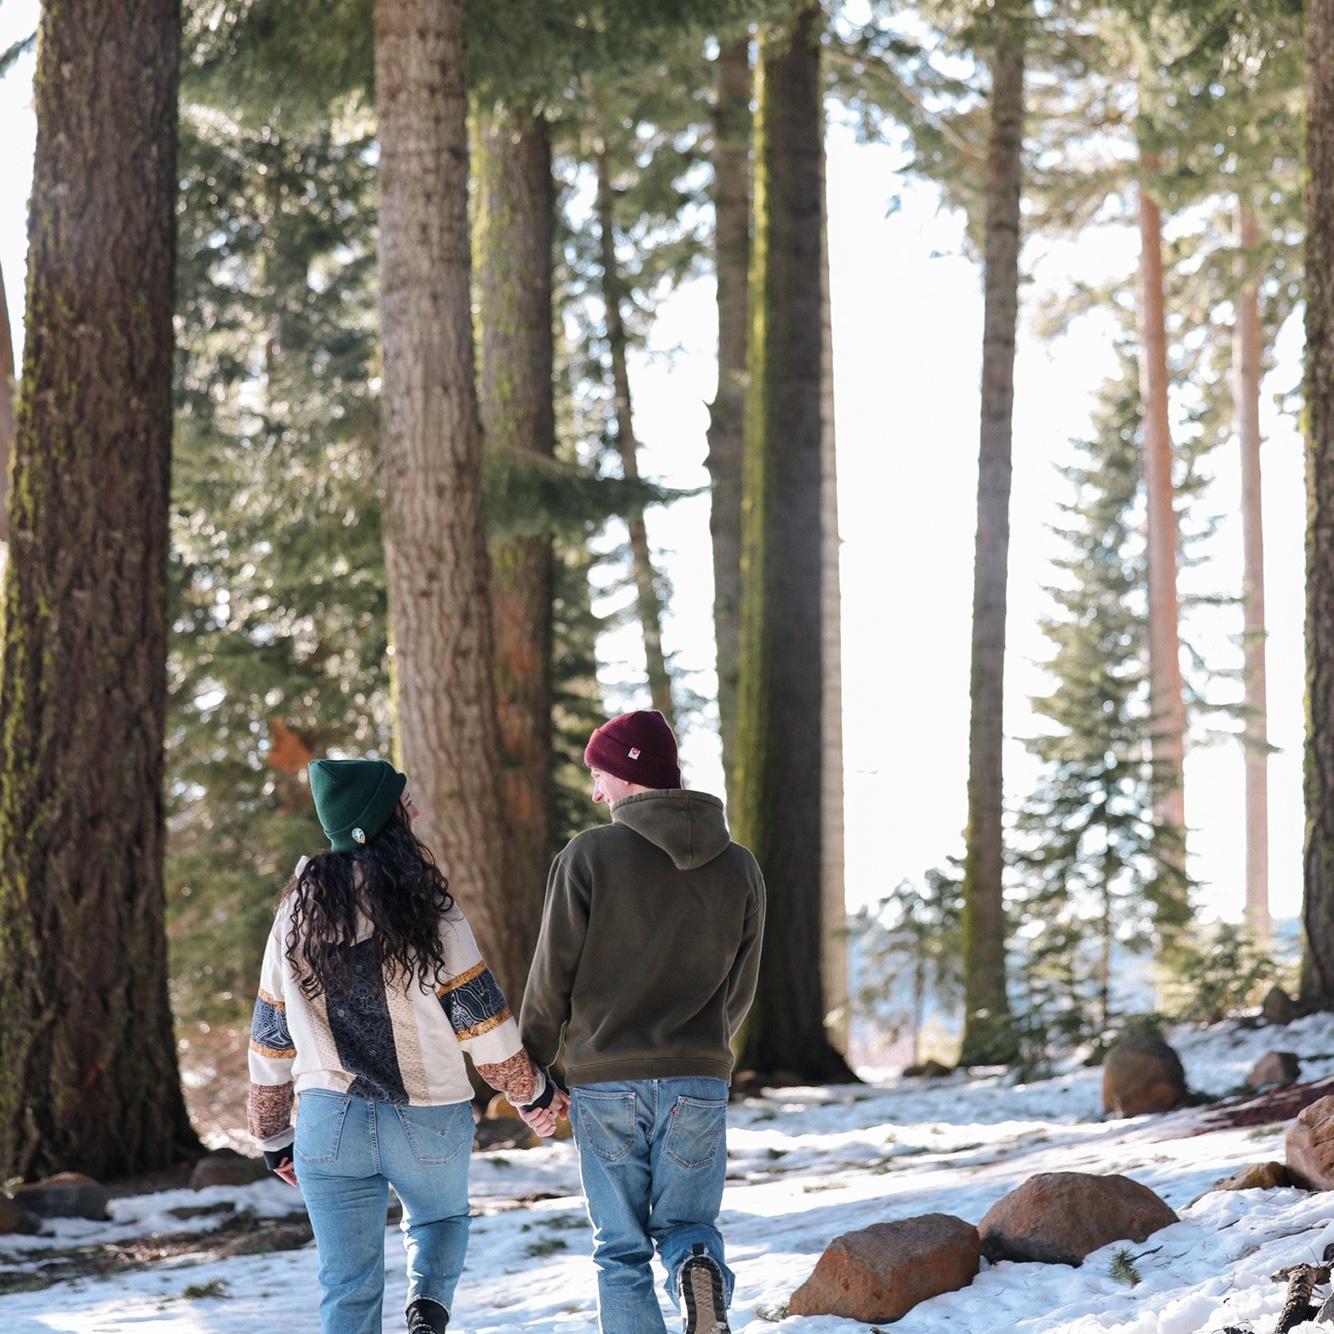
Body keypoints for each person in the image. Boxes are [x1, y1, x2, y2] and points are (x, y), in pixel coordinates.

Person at [247, 757, 562, 1334]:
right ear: (382, 819)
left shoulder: (295, 913)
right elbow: (483, 1025)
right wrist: (534, 1093)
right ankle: (427, 1310)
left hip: (328, 1123)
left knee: (347, 1286)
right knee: (441, 1221)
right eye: (403, 800)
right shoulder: (429, 909)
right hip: (427, 1118)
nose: (414, 807)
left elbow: (271, 1031)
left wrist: (271, 1135)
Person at [519, 709, 766, 1334]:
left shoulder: (588, 854)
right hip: (698, 1077)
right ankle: (696, 1268)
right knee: (690, 1225)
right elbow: (741, 984)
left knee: (621, 1247)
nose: (595, 793)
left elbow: (552, 975)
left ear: (627, 774)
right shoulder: (739, 866)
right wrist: (707, 1046)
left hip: (606, 1080)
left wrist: (532, 1070)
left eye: (598, 774)